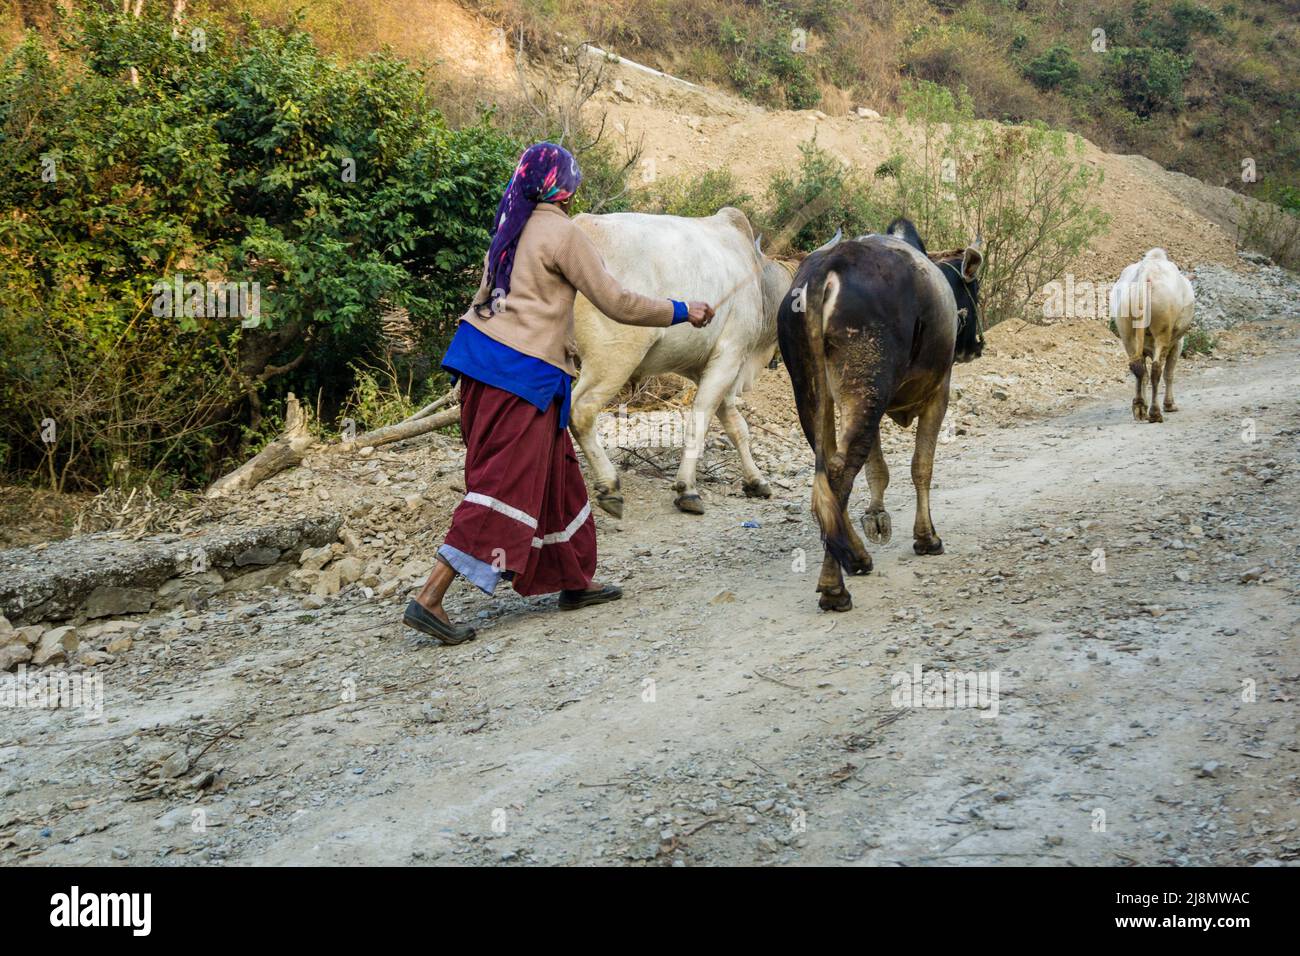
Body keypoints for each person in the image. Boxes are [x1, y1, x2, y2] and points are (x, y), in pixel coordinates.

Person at [403, 142, 715, 644]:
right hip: (519, 377)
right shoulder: (561, 232)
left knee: (558, 476)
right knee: (503, 486)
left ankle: (571, 579)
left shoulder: (511, 226)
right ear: (563, 186)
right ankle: (430, 596)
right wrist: (683, 310)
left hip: (483, 367)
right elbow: (617, 301)